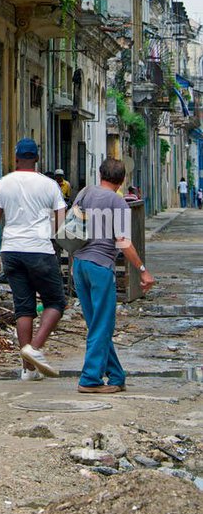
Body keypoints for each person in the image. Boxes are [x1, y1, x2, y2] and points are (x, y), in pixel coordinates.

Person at [72, 157, 154, 393]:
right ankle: (90, 379)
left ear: (100, 174)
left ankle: (116, 375)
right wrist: (142, 270)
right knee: (102, 325)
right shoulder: (117, 202)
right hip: (100, 266)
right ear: (122, 180)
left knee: (96, 324)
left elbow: (71, 224)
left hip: (80, 264)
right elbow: (123, 242)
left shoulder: (84, 193)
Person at [0, 138, 67, 379]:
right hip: (40, 250)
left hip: (11, 250)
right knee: (56, 302)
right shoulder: (50, 185)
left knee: (24, 308)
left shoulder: (3, 183)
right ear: (37, 159)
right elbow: (61, 223)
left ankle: (27, 369)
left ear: (16, 158)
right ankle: (35, 348)